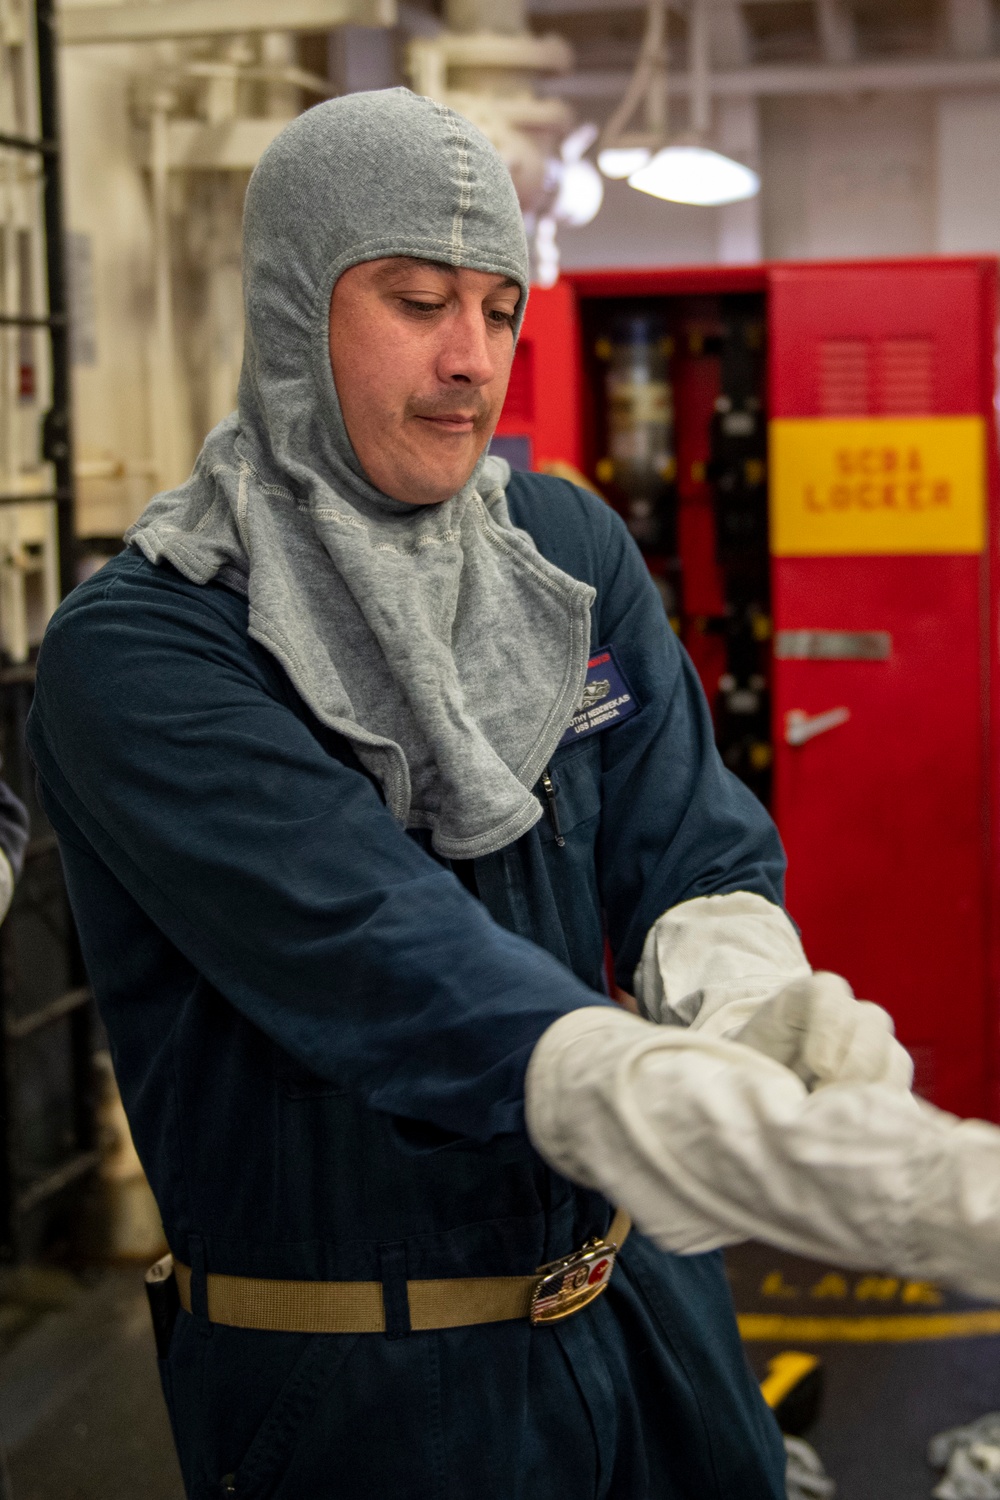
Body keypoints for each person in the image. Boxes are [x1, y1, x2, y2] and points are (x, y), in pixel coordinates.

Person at [24, 89, 1000, 1499]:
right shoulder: (147, 651)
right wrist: (709, 1123)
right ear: (297, 309)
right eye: (418, 301)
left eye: (499, 309)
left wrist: (774, 1022)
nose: (469, 360)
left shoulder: (562, 546)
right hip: (369, 1390)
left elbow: (689, 846)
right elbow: (390, 967)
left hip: (645, 1314)